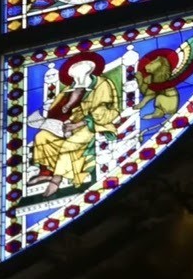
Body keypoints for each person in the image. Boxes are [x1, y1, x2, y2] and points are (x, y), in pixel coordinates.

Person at [27, 52, 122, 199]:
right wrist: (66, 112)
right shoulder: (71, 88)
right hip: (70, 125)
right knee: (42, 136)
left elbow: (103, 112)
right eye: (73, 73)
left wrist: (77, 125)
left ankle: (56, 181)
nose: (74, 75)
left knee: (69, 144)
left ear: (88, 69)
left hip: (94, 125)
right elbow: (59, 110)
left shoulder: (102, 84)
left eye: (77, 71)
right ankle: (46, 173)